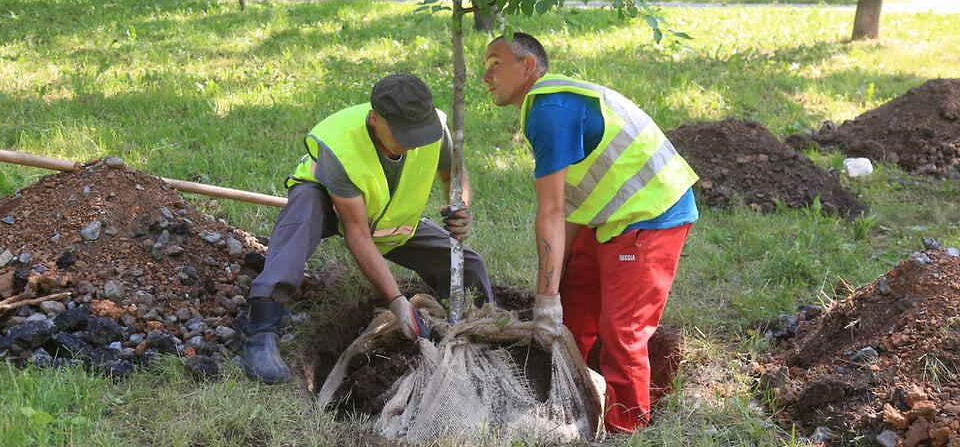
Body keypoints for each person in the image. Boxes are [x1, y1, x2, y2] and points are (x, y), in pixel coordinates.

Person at [482, 33, 698, 433]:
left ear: (528, 66)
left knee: (622, 333)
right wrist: (555, 284)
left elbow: (551, 210)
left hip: (651, 215)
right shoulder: (546, 106)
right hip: (608, 215)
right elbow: (571, 200)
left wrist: (544, 298)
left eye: (496, 63)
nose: (485, 75)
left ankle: (626, 429)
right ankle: (566, 400)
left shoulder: (550, 111)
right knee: (575, 303)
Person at [242, 73, 495, 384]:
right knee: (304, 209)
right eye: (404, 134)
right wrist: (397, 300)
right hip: (330, 204)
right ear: (375, 119)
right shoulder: (341, 146)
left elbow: (452, 174)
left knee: (469, 264)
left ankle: (481, 333)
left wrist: (461, 205)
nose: (412, 143)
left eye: (418, 134)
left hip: (390, 220)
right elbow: (358, 235)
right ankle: (261, 324)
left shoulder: (434, 130)